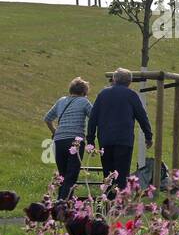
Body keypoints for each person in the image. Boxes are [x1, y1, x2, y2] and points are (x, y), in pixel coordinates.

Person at [87, 68, 153, 198]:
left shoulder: (103, 94)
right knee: (122, 174)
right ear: (129, 82)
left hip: (105, 139)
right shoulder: (131, 95)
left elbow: (93, 118)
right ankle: (119, 204)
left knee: (108, 173)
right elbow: (142, 116)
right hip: (124, 140)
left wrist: (90, 140)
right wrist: (148, 136)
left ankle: (108, 202)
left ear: (115, 79)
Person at [45, 77, 93, 200]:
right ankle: (62, 204)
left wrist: (55, 131)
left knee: (63, 175)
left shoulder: (61, 101)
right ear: (84, 92)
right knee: (71, 175)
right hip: (75, 141)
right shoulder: (83, 101)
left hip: (59, 141)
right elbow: (93, 116)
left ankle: (61, 203)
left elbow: (48, 118)